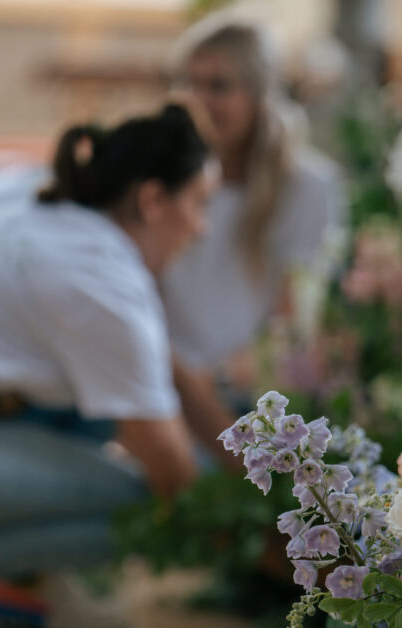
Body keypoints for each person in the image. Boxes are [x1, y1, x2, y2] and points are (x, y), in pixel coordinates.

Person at [0, 103, 232, 628]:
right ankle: (11, 585)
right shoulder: (102, 283)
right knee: (151, 506)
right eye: (199, 203)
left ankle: (30, 585)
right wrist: (287, 553)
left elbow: (160, 374)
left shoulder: (38, 193)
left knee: (102, 405)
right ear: (153, 199)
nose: (202, 228)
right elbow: (176, 482)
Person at [161, 20, 343, 385]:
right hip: (161, 379)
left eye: (219, 86)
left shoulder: (308, 185)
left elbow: (293, 318)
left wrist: (217, 379)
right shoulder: (159, 179)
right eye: (188, 82)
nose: (198, 100)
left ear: (260, 94)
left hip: (248, 393)